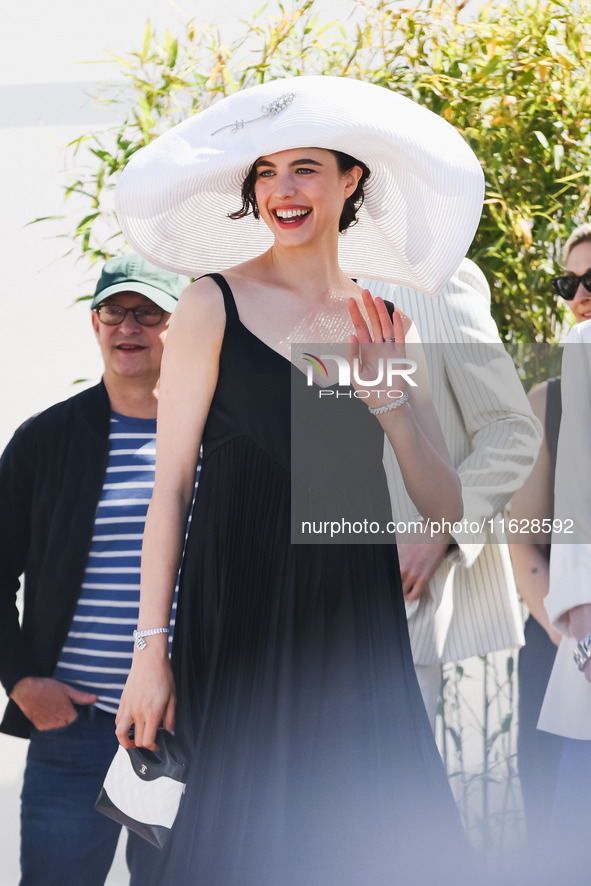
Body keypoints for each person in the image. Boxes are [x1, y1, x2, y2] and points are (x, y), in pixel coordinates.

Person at [113, 75, 485, 886]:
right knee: (235, 830)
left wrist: (388, 403)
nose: (282, 189)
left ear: (350, 181)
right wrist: (150, 652)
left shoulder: (379, 320)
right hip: (233, 604)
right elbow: (169, 487)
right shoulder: (213, 302)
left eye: (306, 167)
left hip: (347, 609)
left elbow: (443, 504)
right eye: (267, 171)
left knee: (360, 827)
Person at [0, 253, 190, 886]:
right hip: (73, 729)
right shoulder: (46, 439)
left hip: (185, 732)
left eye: (148, 313)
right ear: (95, 323)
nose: (128, 327)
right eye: (114, 311)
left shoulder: (216, 439)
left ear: (180, 326)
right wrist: (22, 681)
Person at [358, 259, 542, 726]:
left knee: (385, 793)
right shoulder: (264, 293)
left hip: (397, 608)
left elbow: (511, 428)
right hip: (285, 604)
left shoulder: (434, 280)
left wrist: (441, 529)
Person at [508, 223, 591, 852]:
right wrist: (573, 643)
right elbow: (522, 540)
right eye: (570, 282)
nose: (581, 294)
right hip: (565, 654)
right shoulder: (552, 401)